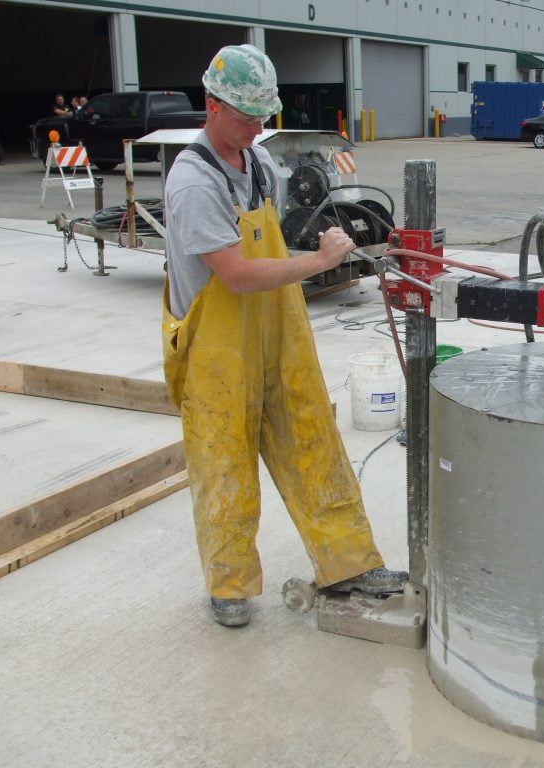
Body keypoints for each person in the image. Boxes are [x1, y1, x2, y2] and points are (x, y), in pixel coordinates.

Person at [162, 44, 405, 628]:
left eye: (262, 117)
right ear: (212, 105)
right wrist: (319, 264)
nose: (256, 128)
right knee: (224, 466)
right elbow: (238, 273)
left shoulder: (261, 167)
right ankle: (229, 585)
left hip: (277, 333)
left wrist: (329, 241)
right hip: (216, 350)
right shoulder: (194, 182)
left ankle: (347, 563)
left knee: (313, 443)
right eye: (246, 116)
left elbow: (279, 241)